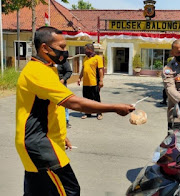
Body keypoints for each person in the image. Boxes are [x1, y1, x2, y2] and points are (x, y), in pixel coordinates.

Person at [15, 26, 135, 196]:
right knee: (70, 190)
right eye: (62, 47)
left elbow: (48, 108)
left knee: (39, 191)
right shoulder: (37, 72)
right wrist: (115, 108)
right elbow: (74, 103)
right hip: (40, 144)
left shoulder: (48, 67)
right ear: (44, 48)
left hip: (41, 141)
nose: (65, 51)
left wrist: (61, 134)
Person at [77, 43, 104, 120]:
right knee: (86, 99)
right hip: (86, 83)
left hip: (94, 82)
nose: (85, 51)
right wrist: (79, 78)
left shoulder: (97, 58)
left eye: (86, 49)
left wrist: (101, 81)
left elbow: (100, 70)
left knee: (96, 99)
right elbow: (83, 69)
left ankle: (99, 113)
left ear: (90, 49)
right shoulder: (85, 58)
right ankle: (87, 113)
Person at [57, 61, 73, 128]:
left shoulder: (63, 61)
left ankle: (66, 120)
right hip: (52, 84)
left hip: (61, 85)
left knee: (64, 102)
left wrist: (63, 79)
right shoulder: (49, 61)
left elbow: (69, 71)